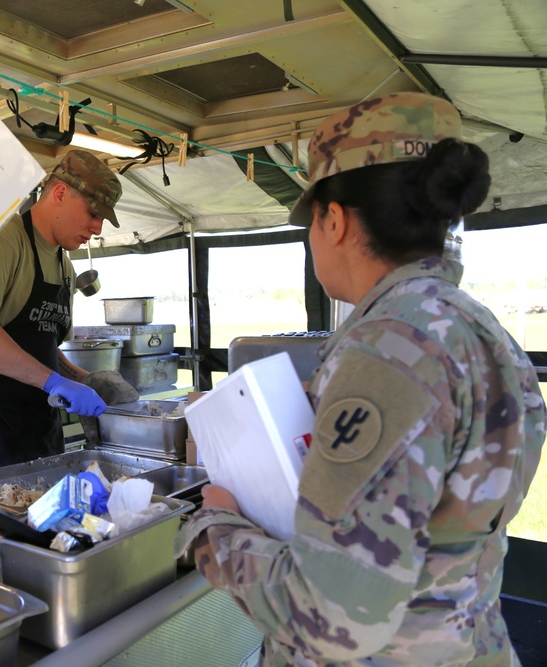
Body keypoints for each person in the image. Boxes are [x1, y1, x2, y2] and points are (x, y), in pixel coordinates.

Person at [176, 93, 546, 665]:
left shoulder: (387, 351)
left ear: (335, 219)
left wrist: (215, 527)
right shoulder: (478, 328)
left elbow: (331, 617)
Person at [0, 149, 137, 476]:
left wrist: (83, 379)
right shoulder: (4, 240)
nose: (98, 227)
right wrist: (51, 382)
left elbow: (43, 345)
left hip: (42, 430)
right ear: (60, 193)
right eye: (93, 212)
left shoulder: (63, 262)